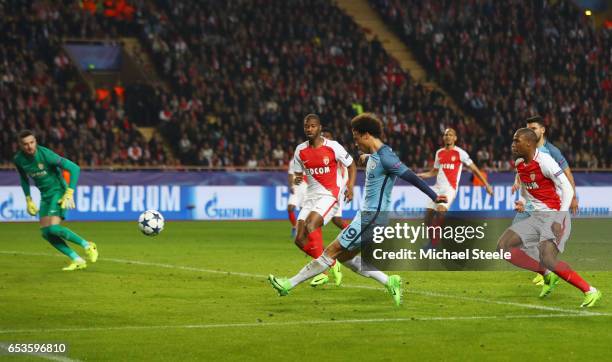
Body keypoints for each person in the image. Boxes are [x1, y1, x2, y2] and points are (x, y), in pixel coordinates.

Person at [269, 113, 446, 306]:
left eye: (356, 139)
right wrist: (367, 157)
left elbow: (410, 176)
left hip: (373, 217)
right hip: (366, 216)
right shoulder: (377, 155)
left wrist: (434, 196)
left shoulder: (387, 157)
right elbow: (375, 160)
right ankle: (389, 281)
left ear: (366, 135)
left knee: (331, 252)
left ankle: (288, 284)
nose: (355, 144)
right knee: (345, 257)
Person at [497, 128, 601, 307]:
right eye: (513, 141)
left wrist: (558, 219)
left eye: (517, 141)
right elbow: (525, 186)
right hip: (535, 217)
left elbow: (567, 189)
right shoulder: (520, 163)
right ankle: (546, 274)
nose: (513, 145)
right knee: (503, 248)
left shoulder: (545, 162)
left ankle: (590, 291)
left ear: (529, 143)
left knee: (548, 258)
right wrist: (522, 200)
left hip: (554, 216)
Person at [13, 130, 98, 271]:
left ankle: (88, 245)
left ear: (36, 141)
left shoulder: (46, 155)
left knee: (53, 228)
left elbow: (74, 168)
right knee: (46, 233)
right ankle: (77, 259)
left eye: (32, 142)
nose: (29, 147)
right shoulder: (19, 159)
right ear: (20, 145)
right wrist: (28, 199)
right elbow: (23, 178)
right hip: (45, 196)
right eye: (25, 144)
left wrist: (69, 192)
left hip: (58, 192)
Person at [290, 114, 357, 287]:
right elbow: (298, 173)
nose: (309, 129)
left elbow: (351, 164)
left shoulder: (333, 146)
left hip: (329, 195)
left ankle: (328, 264)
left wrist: (350, 186)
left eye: (312, 126)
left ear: (319, 128)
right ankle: (332, 263)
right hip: (310, 198)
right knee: (299, 239)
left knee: (312, 225)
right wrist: (297, 178)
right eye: (306, 126)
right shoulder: (300, 150)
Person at [512, 115, 579, 286]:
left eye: (534, 128)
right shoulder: (522, 154)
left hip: (548, 204)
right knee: (516, 240)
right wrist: (519, 189)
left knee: (542, 243)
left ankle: (547, 270)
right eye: (529, 128)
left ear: (542, 130)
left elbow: (567, 174)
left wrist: (573, 196)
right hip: (530, 203)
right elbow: (523, 174)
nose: (531, 131)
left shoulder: (551, 152)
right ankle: (545, 270)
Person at [417, 128, 492, 249]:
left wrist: (486, 185)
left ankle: (435, 243)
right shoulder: (439, 153)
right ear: (443, 137)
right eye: (446, 135)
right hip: (437, 188)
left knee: (441, 210)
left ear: (455, 138)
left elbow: (474, 169)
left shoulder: (460, 153)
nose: (448, 137)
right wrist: (421, 175)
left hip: (449, 189)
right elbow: (434, 172)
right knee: (427, 216)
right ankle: (433, 241)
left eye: (450, 135)